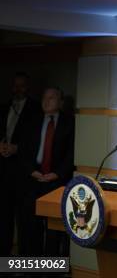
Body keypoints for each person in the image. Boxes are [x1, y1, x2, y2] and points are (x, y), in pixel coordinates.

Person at [18, 87, 74, 256]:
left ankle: (51, 268)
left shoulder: (69, 122)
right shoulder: (32, 121)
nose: (46, 101)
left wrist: (57, 173)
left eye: (51, 98)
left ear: (61, 102)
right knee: (31, 226)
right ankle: (31, 267)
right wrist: (31, 171)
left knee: (54, 230)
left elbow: (72, 153)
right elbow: (23, 151)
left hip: (57, 183)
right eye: (44, 97)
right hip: (33, 181)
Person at [0, 72, 41, 255]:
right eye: (15, 86)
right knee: (4, 216)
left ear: (28, 87)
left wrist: (18, 148)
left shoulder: (35, 109)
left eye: (22, 86)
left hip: (24, 172)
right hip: (3, 170)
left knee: (25, 219)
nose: (18, 89)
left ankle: (25, 261)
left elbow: (35, 140)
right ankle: (4, 257)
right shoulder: (4, 106)